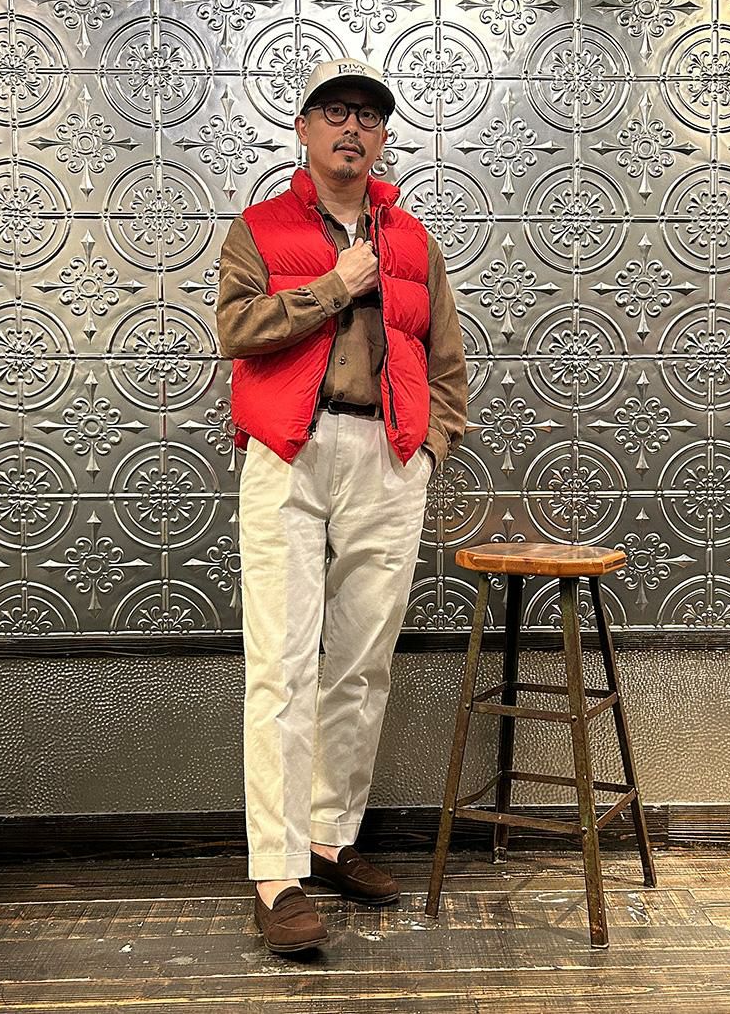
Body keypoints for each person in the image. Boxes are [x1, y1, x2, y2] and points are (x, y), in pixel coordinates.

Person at [216, 58, 468, 954]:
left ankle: (329, 838)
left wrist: (431, 449)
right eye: (334, 111)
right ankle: (276, 873)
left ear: (384, 135)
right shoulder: (259, 229)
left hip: (387, 455)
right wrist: (335, 284)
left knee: (361, 663)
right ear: (304, 129)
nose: (351, 127)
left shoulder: (415, 241)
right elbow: (236, 330)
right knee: (281, 666)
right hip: (289, 451)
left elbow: (446, 359)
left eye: (367, 114)